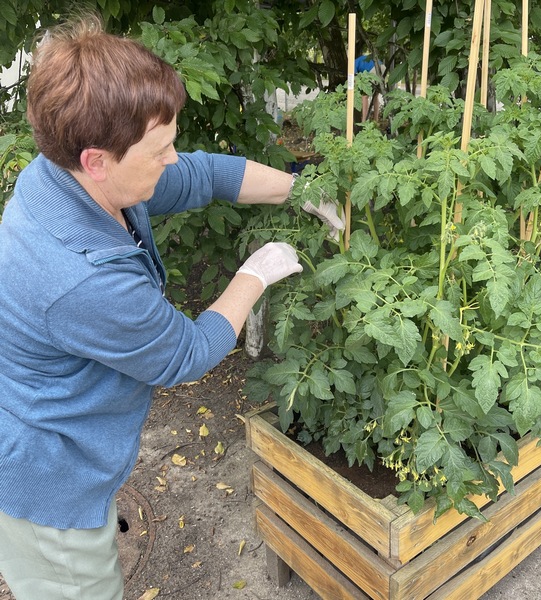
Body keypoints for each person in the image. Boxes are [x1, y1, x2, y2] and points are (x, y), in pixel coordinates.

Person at [0, 15, 344, 600]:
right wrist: (253, 275)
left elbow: (204, 174)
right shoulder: (79, 277)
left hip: (67, 445)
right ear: (97, 160)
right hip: (48, 485)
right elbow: (184, 354)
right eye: (160, 149)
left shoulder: (66, 177)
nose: (173, 157)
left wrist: (300, 190)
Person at [355, 53, 380, 122]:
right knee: (375, 96)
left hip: (374, 69)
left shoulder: (352, 64)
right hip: (382, 67)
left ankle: (364, 121)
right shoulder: (359, 60)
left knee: (364, 96)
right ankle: (376, 120)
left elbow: (355, 81)